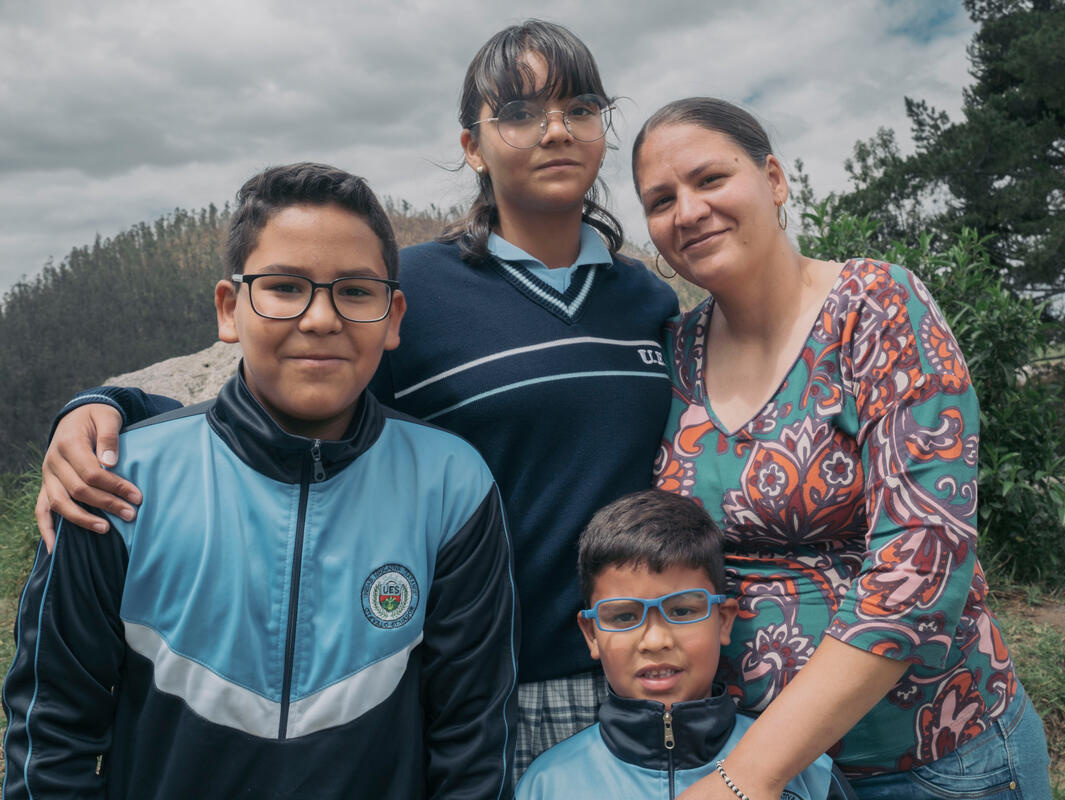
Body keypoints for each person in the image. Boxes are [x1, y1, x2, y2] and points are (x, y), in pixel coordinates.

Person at [31, 20, 678, 774]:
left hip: (644, 666)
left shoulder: (644, 296)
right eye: (521, 112)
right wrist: (106, 407)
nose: (556, 131)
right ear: (472, 145)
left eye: (581, 108)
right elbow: (296, 402)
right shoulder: (424, 290)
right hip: (482, 676)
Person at [3, 163, 518, 799]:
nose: (322, 319)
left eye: (356, 292)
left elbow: (471, 741)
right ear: (229, 308)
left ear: (392, 317)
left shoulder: (451, 487)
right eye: (283, 287)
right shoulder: (116, 481)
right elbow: (52, 734)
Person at [632, 98, 1052, 800]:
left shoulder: (877, 308)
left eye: (710, 178)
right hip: (766, 762)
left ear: (773, 179)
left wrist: (746, 778)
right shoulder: (678, 350)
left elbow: (921, 564)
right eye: (661, 199)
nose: (689, 210)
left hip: (931, 760)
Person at [516, 489, 846, 800]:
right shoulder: (548, 784)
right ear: (592, 634)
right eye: (624, 617)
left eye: (683, 611)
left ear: (723, 620)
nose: (656, 641)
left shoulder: (801, 771)